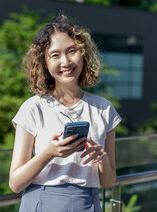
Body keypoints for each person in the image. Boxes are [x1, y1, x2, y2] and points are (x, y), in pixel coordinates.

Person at [9, 14, 122, 212]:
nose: (65, 61)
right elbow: (15, 183)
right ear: (44, 62)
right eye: (55, 55)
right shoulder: (32, 108)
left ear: (83, 54)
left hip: (88, 203)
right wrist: (49, 153)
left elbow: (108, 182)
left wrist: (102, 157)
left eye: (72, 51)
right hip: (41, 202)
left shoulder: (104, 109)